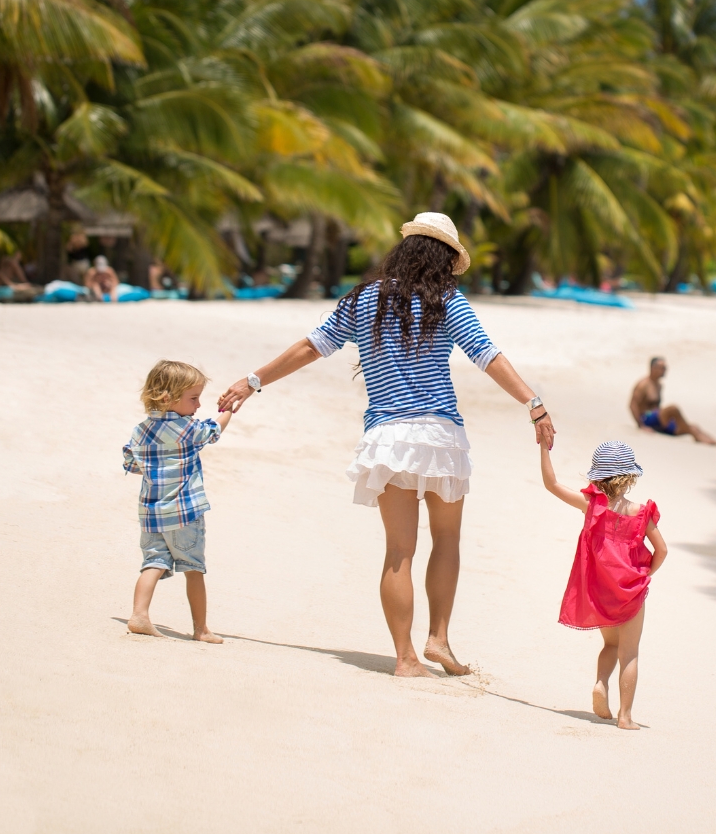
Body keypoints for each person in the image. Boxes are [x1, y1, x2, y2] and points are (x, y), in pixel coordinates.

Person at [216, 212, 554, 678]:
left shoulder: (364, 300)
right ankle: (439, 638)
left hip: (389, 438)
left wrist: (252, 381)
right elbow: (486, 355)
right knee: (447, 540)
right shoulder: (446, 298)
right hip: (439, 436)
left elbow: (312, 347)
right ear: (445, 257)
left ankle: (405, 658)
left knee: (399, 551)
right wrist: (533, 403)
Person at [540, 440, 666, 730]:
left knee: (610, 644)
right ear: (629, 477)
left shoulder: (591, 505)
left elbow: (552, 484)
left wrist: (543, 448)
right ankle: (625, 717)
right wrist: (645, 573)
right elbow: (662, 550)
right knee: (629, 653)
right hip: (631, 590)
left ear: (598, 475)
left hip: (601, 590)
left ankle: (600, 683)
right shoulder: (641, 513)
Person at [123, 360, 232, 643]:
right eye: (193, 398)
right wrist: (228, 409)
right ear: (167, 398)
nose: (198, 405)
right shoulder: (188, 428)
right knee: (193, 568)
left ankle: (139, 615)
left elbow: (131, 465)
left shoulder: (139, 431)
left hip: (151, 514)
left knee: (153, 563)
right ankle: (201, 630)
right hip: (185, 513)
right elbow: (213, 431)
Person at [629, 357, 716, 446]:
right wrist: (641, 425)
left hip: (658, 420)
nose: (665, 371)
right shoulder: (643, 384)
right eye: (662, 368)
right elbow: (632, 404)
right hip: (646, 419)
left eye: (665, 368)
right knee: (673, 408)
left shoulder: (659, 385)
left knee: (693, 427)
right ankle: (700, 438)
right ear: (653, 368)